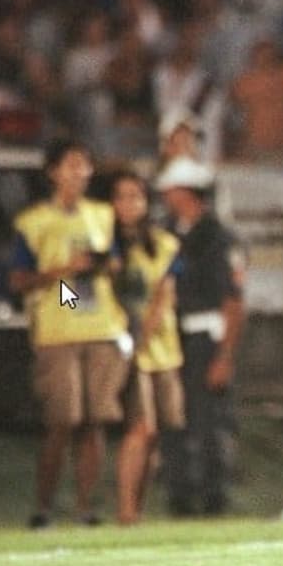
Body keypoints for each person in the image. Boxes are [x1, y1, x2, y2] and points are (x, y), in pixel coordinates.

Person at [9, 139, 130, 528]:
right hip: (59, 326)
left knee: (95, 421)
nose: (81, 173)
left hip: (100, 324)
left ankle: (85, 508)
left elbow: (115, 261)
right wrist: (63, 270)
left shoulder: (102, 215)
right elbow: (19, 279)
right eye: (73, 165)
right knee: (63, 420)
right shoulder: (34, 222)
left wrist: (107, 265)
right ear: (54, 171)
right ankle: (44, 506)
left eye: (85, 165)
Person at [154, 155, 245, 516]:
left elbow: (233, 299)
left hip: (206, 335)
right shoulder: (165, 235)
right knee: (173, 418)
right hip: (169, 335)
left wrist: (224, 355)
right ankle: (179, 495)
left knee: (209, 421)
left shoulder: (219, 238)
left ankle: (212, 497)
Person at [109, 170, 185, 525]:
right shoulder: (100, 244)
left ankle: (136, 509)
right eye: (121, 197)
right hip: (120, 347)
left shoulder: (164, 244)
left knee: (157, 433)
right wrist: (85, 317)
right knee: (140, 429)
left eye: (136, 197)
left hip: (161, 347)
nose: (129, 205)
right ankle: (125, 510)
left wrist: (145, 332)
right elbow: (68, 289)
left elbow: (165, 296)